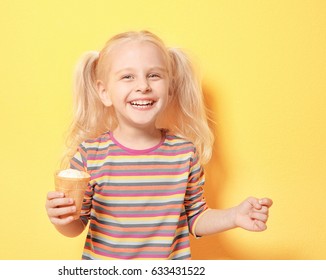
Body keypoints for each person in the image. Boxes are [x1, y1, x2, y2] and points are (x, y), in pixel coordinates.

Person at [45, 30, 273, 260]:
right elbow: (76, 225)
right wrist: (63, 219)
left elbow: (196, 217)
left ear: (170, 88)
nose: (143, 86)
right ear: (105, 93)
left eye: (154, 75)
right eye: (127, 77)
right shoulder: (89, 156)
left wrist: (234, 216)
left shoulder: (184, 154)